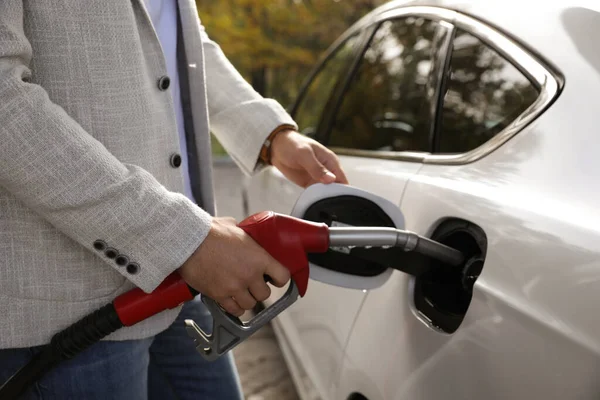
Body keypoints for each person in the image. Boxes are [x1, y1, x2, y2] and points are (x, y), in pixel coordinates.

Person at [0, 0, 348, 399]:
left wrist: (269, 133)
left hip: (178, 281)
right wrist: (182, 237)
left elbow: (179, 39)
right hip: (66, 304)